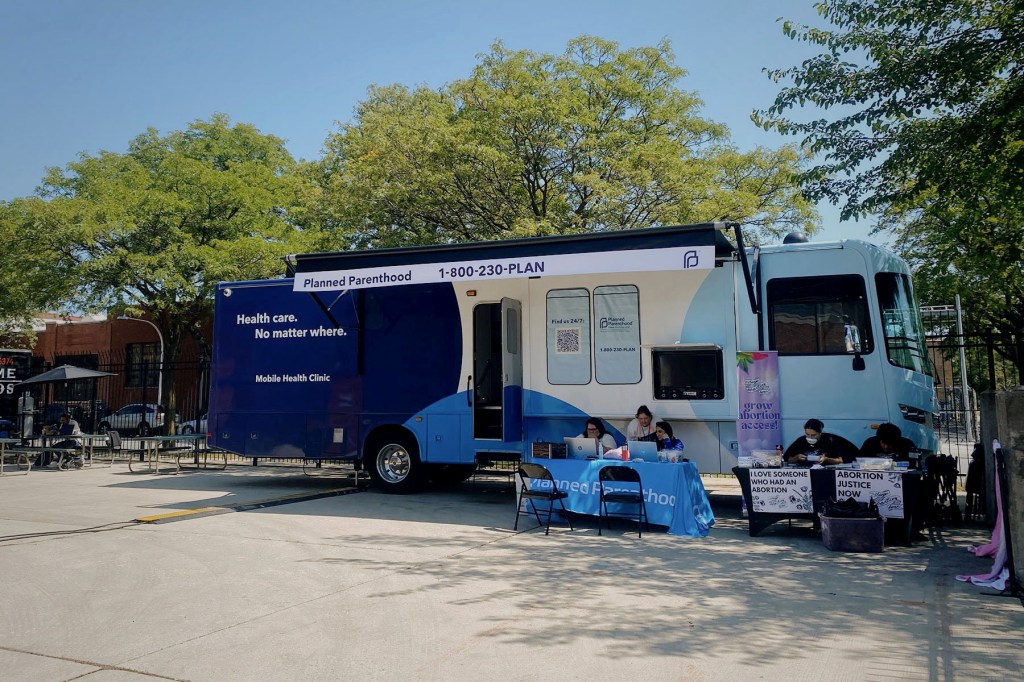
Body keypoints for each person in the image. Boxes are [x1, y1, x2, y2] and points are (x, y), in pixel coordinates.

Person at [783, 418, 854, 466]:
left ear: (820, 433)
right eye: (807, 434)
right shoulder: (801, 441)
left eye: (813, 435)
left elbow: (845, 459)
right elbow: (786, 459)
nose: (810, 437)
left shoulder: (831, 440)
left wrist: (828, 459)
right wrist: (796, 458)